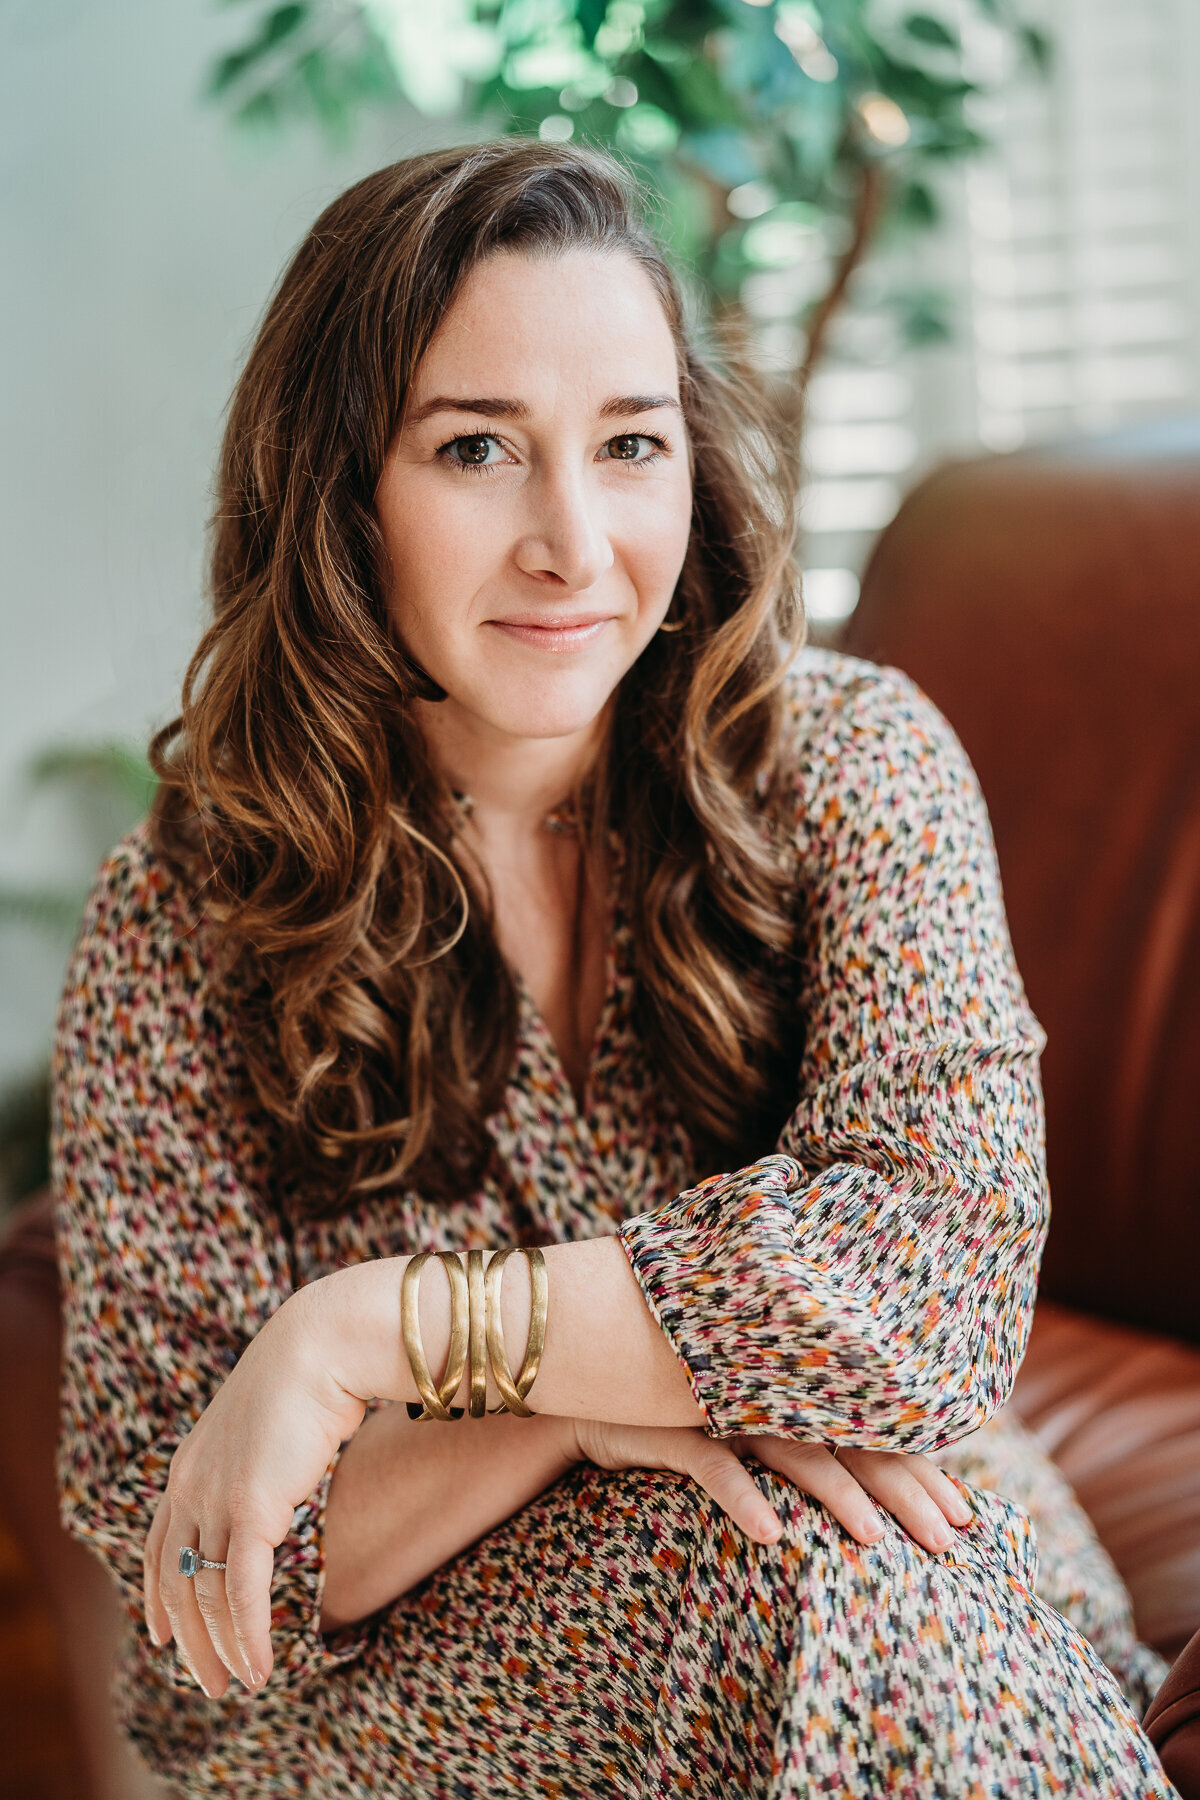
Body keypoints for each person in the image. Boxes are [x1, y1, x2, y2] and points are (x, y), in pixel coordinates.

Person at [52, 140, 1173, 1799]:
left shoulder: (855, 761)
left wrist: (380, 1334)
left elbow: (928, 1289)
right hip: (420, 1687)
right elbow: (209, 1577)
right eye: (478, 449)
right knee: (771, 1550)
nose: (573, 543)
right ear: (338, 489)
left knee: (816, 1547)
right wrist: (568, 1412)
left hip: (911, 1584)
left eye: (630, 443)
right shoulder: (182, 921)